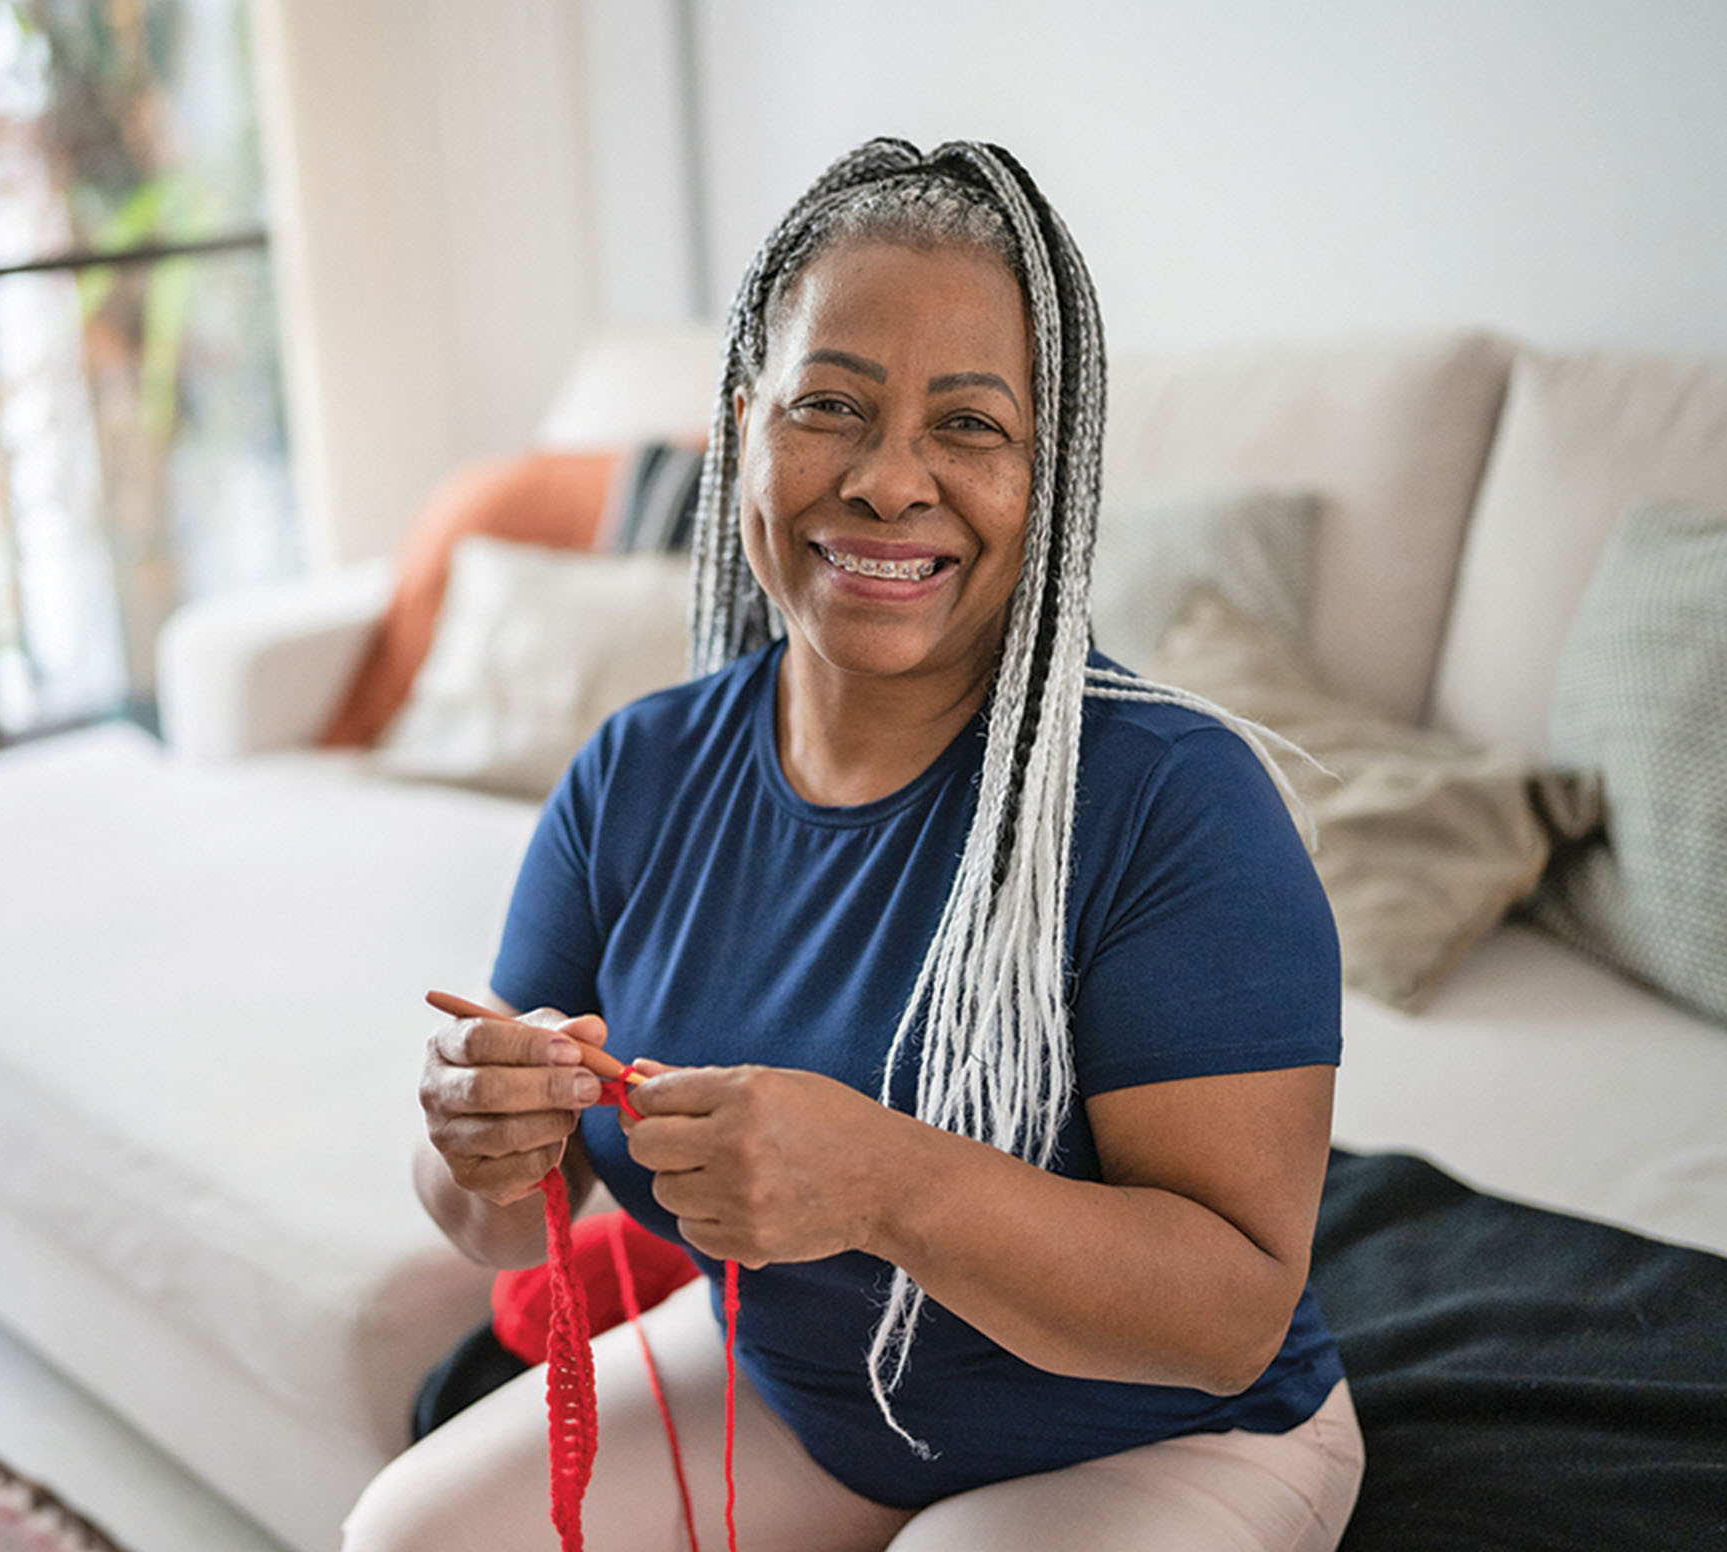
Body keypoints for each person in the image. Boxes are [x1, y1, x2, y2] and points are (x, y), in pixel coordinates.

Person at [346, 138, 1365, 1552]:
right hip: (796, 1395)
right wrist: (476, 1142)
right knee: (407, 1539)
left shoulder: (1172, 801)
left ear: (1048, 478)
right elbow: (509, 1227)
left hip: (1155, 1437)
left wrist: (886, 1185)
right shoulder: (636, 770)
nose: (889, 482)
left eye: (967, 425)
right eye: (830, 405)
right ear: (742, 427)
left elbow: (1227, 1320)